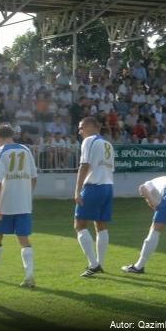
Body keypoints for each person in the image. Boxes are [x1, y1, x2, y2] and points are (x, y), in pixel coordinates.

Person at [0, 124, 38, 288]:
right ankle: (29, 276)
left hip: (5, 203)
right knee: (24, 239)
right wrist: (27, 194)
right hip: (23, 203)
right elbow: (34, 177)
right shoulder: (26, 150)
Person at [73, 116, 114, 278]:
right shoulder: (108, 144)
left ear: (91, 126)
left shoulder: (89, 141)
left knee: (80, 224)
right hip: (108, 187)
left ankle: (93, 264)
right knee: (101, 225)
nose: (80, 131)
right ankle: (100, 263)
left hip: (93, 187)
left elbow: (84, 166)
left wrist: (77, 190)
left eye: (81, 127)